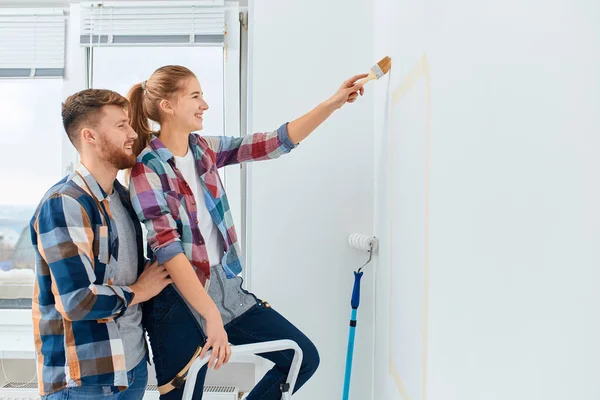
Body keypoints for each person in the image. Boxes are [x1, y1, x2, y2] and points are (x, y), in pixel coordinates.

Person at [127, 65, 367, 399]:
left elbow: (272, 142)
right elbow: (169, 250)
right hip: (177, 303)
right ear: (167, 106)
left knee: (301, 358)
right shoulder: (146, 168)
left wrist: (334, 103)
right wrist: (210, 316)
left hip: (226, 292)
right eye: (195, 96)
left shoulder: (203, 150)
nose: (204, 105)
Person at [31, 89, 172, 399]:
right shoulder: (65, 204)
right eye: (121, 125)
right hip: (86, 382)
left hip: (131, 369)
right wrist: (140, 291)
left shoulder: (122, 198)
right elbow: (77, 301)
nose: (133, 133)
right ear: (89, 136)